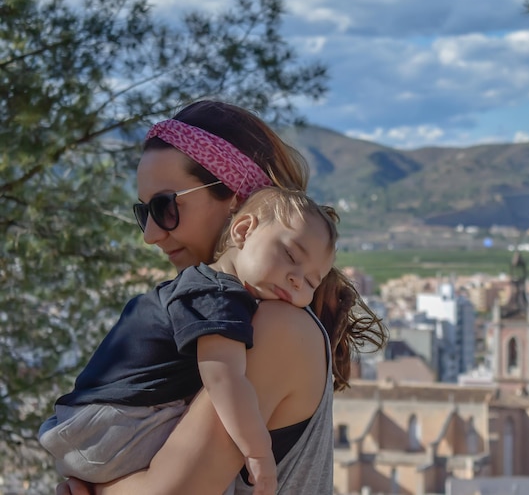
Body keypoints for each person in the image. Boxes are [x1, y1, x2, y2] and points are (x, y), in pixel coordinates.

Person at [54, 100, 387, 494]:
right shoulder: (227, 321)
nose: (150, 234)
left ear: (235, 202)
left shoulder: (279, 327)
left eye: (165, 207)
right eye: (144, 213)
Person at [40, 185, 339, 494]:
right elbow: (225, 379)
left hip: (90, 431)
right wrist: (257, 449)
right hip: (107, 427)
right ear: (244, 230)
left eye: (311, 282)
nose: (296, 279)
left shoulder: (221, 297)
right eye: (290, 255)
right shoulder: (215, 296)